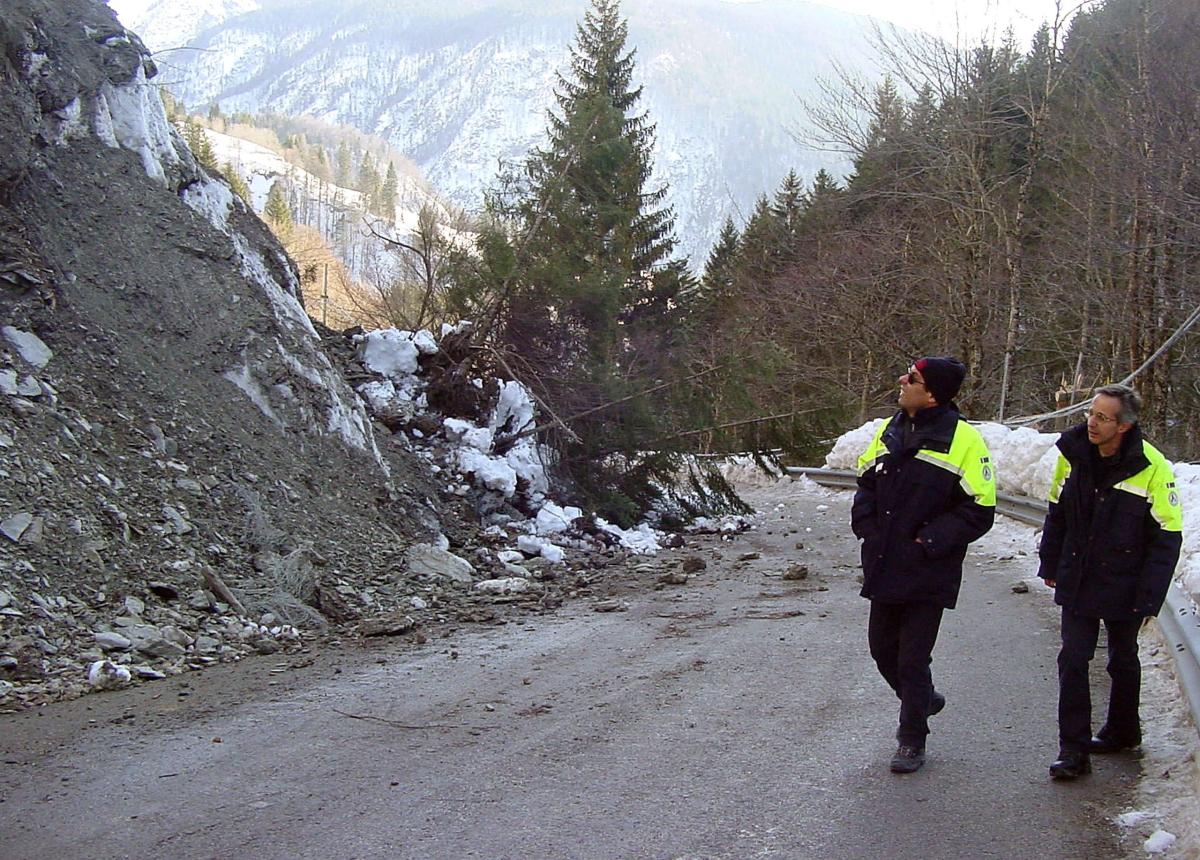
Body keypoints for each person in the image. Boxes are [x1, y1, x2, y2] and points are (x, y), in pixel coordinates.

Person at [852, 356, 996, 773]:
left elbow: (980, 508)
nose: (902, 380)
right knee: (882, 651)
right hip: (884, 561)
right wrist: (867, 527)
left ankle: (911, 739)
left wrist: (929, 539)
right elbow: (865, 483)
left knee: (913, 657)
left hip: (930, 567)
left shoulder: (964, 440)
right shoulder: (889, 428)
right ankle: (924, 699)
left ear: (931, 393)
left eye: (911, 378)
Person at [1038, 384, 1183, 780]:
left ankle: (1122, 729)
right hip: (1079, 576)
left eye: (1102, 417)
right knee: (1073, 658)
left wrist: (1149, 598)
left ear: (1123, 426)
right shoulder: (1071, 455)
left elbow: (1167, 537)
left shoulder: (1152, 467)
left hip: (1127, 581)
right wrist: (1050, 562)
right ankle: (1073, 751)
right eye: (1091, 413)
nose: (1092, 422)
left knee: (1122, 657)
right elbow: (1057, 512)